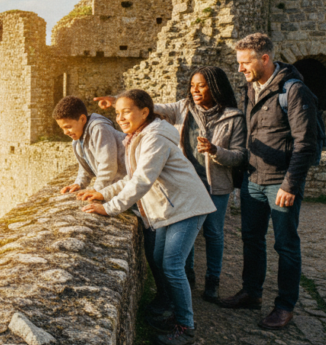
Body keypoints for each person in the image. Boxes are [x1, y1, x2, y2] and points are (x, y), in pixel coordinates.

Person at [94, 66, 247, 303]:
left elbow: (239, 156)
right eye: (192, 86)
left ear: (216, 87)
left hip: (215, 182)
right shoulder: (185, 107)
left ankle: (212, 282)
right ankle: (186, 278)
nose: (194, 90)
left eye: (201, 86)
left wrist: (216, 151)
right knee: (187, 240)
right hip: (185, 182)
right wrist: (118, 102)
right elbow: (150, 108)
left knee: (213, 234)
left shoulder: (233, 117)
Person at [80, 89, 216, 345]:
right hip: (169, 209)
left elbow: (142, 180)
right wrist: (102, 192)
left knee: (173, 265)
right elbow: (132, 178)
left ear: (144, 112)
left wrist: (109, 208)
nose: (120, 118)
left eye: (126, 111)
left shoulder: (155, 137)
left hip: (186, 206)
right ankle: (174, 313)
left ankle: (186, 328)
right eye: (117, 113)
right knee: (158, 259)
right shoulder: (137, 136)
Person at [219, 32, 320, 330]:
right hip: (253, 179)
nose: (240, 69)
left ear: (265, 58)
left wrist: (290, 185)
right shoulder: (252, 87)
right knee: (251, 238)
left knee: (285, 245)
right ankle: (251, 292)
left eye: (244, 62)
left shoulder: (294, 90)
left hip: (281, 182)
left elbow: (305, 143)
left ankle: (285, 306)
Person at [53, 96, 174, 317]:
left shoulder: (99, 129)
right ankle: (165, 296)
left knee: (157, 250)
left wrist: (98, 193)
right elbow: (86, 164)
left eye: (68, 126)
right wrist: (79, 183)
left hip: (132, 190)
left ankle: (168, 299)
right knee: (155, 249)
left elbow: (107, 167)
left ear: (82, 119)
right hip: (123, 191)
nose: (66, 132)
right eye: (62, 128)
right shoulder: (78, 137)